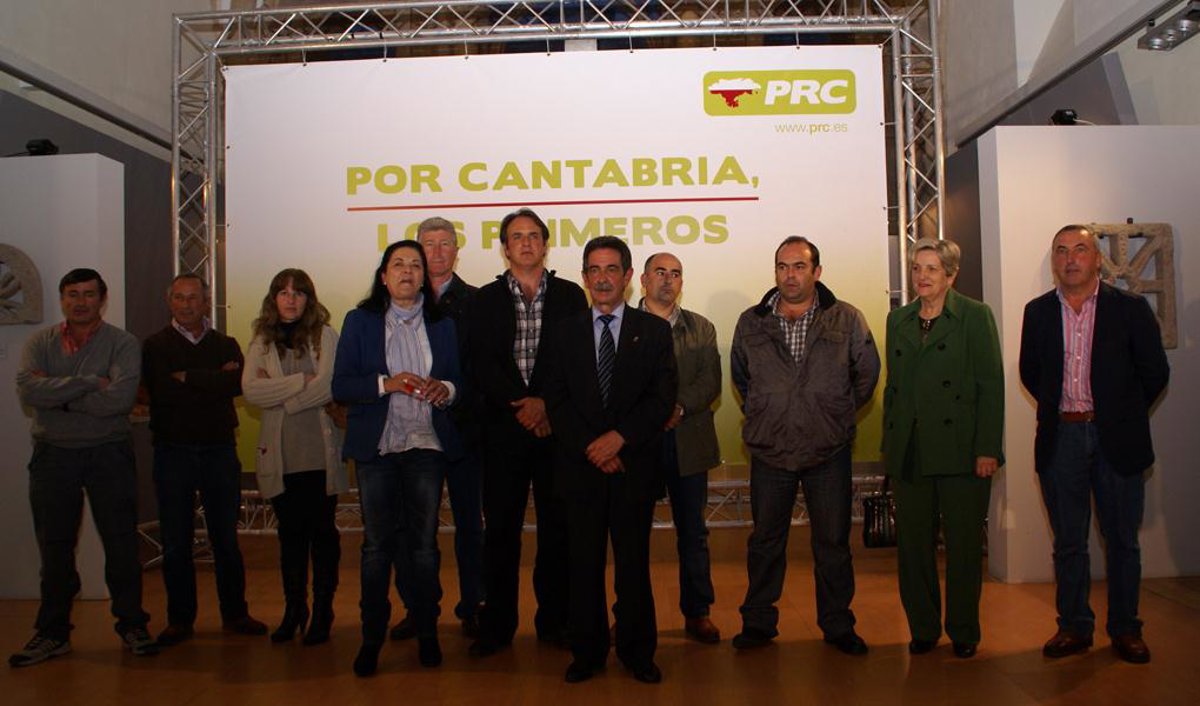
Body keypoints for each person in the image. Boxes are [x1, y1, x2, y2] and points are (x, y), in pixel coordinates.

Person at [1019, 224, 1169, 664]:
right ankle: (1074, 626)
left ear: (1097, 259)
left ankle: (1125, 629)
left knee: (1122, 541)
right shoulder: (1038, 312)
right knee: (1068, 542)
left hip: (1116, 439)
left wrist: (1121, 415)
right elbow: (1032, 372)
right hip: (1061, 437)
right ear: (1054, 260)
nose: (1070, 259)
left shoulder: (1130, 309)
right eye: (1061, 250)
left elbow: (1155, 372)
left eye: (1080, 249)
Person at [730, 236, 880, 654]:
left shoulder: (846, 318)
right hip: (770, 450)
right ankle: (758, 622)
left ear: (817, 272)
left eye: (799, 266)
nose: (789, 275)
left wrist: (834, 413)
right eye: (782, 266)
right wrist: (768, 410)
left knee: (832, 544)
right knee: (765, 542)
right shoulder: (751, 321)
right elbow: (742, 378)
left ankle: (837, 624)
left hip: (827, 450)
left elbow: (866, 376)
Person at [545, 236, 677, 684]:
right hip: (581, 469)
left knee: (633, 566)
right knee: (583, 566)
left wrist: (618, 440)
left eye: (611, 269)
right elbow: (556, 399)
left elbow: (661, 399)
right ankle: (587, 653)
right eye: (594, 270)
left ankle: (638, 652)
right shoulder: (563, 332)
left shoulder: (654, 331)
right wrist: (594, 447)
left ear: (627, 276)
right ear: (584, 277)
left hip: (632, 467)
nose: (602, 279)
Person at [11, 268, 158, 667]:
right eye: (72, 294)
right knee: (54, 547)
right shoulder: (40, 342)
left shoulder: (122, 343)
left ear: (102, 300)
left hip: (108, 452)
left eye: (89, 294)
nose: (80, 302)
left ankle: (132, 625)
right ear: (62, 300)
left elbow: (120, 401)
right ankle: (52, 633)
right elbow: (28, 391)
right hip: (53, 455)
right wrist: (93, 381)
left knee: (121, 544)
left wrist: (57, 396)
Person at [333, 241, 464, 676]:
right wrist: (385, 384)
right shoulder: (360, 321)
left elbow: (459, 380)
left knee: (424, 548)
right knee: (376, 548)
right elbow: (341, 386)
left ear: (425, 277)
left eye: (415, 266)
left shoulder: (443, 324)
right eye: (398, 265)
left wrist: (447, 389)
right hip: (378, 449)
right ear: (384, 276)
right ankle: (371, 638)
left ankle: (427, 632)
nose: (407, 272)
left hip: (426, 445)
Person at [467, 208, 588, 657]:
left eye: (534, 235)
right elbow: (482, 363)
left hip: (555, 431)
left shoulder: (571, 296)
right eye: (517, 236)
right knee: (501, 533)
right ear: (505, 247)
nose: (526, 243)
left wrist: (544, 404)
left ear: (545, 244)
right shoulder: (484, 299)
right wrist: (522, 403)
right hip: (504, 429)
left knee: (558, 532)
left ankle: (555, 622)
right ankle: (497, 627)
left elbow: (575, 361)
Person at [881, 238, 1003, 659]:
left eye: (932, 268)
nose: (922, 276)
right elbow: (894, 390)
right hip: (911, 450)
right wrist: (890, 446)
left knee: (963, 547)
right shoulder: (898, 319)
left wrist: (988, 448)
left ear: (951, 275)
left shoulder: (974, 316)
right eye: (917, 268)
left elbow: (991, 386)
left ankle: (964, 630)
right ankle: (923, 628)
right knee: (912, 547)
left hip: (961, 449)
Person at [142, 274, 266, 646]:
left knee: (225, 538)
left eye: (193, 297)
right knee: (176, 541)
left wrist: (187, 377)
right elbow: (161, 393)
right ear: (169, 301)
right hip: (172, 450)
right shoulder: (155, 345)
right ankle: (180, 620)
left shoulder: (225, 344)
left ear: (206, 301)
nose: (186, 305)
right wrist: (212, 381)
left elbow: (237, 385)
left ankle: (235, 614)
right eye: (179, 298)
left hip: (218, 450)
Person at [390, 217, 485, 640]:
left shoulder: (479, 302)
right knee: (415, 528)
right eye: (429, 244)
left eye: (445, 243)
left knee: (470, 525)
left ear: (457, 251)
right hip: (412, 430)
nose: (437, 252)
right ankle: (418, 607)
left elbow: (485, 369)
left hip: (464, 429)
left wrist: (455, 394)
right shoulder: (395, 303)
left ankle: (474, 605)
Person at [242, 269, 347, 646]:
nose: (290, 299)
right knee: (290, 538)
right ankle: (294, 609)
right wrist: (300, 382)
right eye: (283, 293)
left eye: (298, 293)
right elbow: (251, 390)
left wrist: (283, 397)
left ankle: (322, 610)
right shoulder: (262, 338)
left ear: (309, 299)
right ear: (274, 298)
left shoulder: (325, 335)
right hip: (280, 456)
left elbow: (328, 385)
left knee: (322, 535)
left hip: (319, 454)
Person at [638, 252, 722, 643]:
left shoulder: (701, 328)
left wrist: (678, 407)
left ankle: (698, 612)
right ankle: (632, 614)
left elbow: (710, 381)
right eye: (660, 272)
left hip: (688, 438)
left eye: (675, 274)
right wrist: (653, 413)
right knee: (632, 534)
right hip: (639, 443)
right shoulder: (624, 325)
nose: (667, 280)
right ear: (643, 280)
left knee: (693, 532)